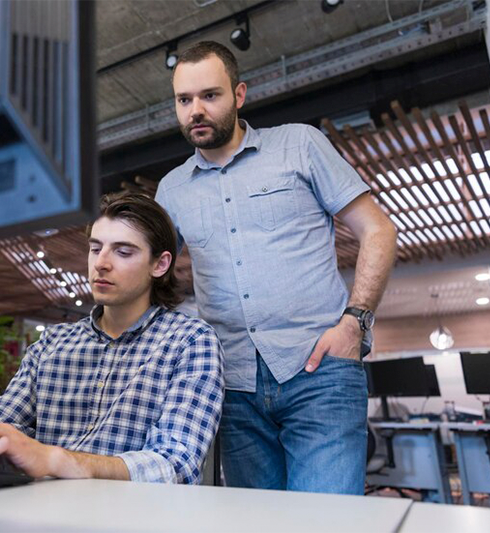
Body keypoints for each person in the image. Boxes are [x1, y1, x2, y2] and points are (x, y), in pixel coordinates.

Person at [154, 41, 397, 494]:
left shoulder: (299, 145)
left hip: (321, 372)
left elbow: (378, 230)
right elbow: (150, 276)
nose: (196, 111)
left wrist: (355, 322)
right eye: (184, 100)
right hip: (232, 386)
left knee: (327, 526)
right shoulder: (171, 190)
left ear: (239, 95)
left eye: (210, 95)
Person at [0, 192, 224, 484]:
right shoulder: (51, 345)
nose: (101, 263)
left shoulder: (190, 342)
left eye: (123, 251)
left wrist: (53, 458)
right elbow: (0, 423)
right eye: (96, 248)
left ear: (160, 265)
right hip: (38, 513)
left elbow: (174, 463)